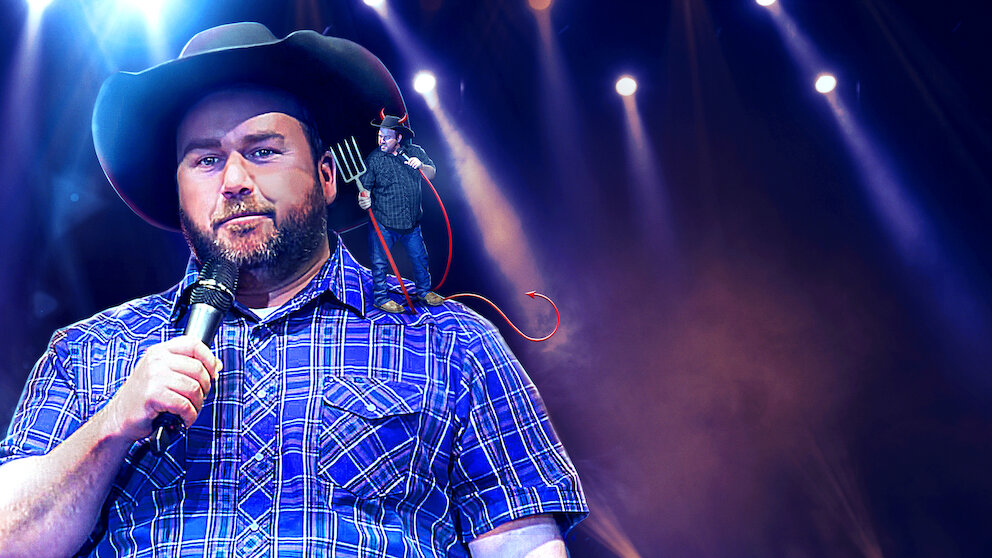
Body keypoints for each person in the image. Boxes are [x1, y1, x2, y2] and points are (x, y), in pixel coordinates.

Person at [0, 23, 586, 557]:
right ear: (179, 194)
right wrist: (111, 424)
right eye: (205, 161)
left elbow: (525, 548)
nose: (234, 181)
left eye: (262, 151)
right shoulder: (91, 351)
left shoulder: (452, 342)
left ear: (327, 176)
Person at [358, 113, 443, 314]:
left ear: (399, 137)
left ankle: (424, 292)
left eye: (386, 137)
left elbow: (432, 173)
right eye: (380, 136)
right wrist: (363, 198)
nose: (381, 141)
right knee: (379, 262)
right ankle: (381, 298)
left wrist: (421, 166)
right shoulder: (375, 159)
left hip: (411, 224)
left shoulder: (415, 152)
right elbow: (364, 187)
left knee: (420, 258)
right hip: (384, 223)